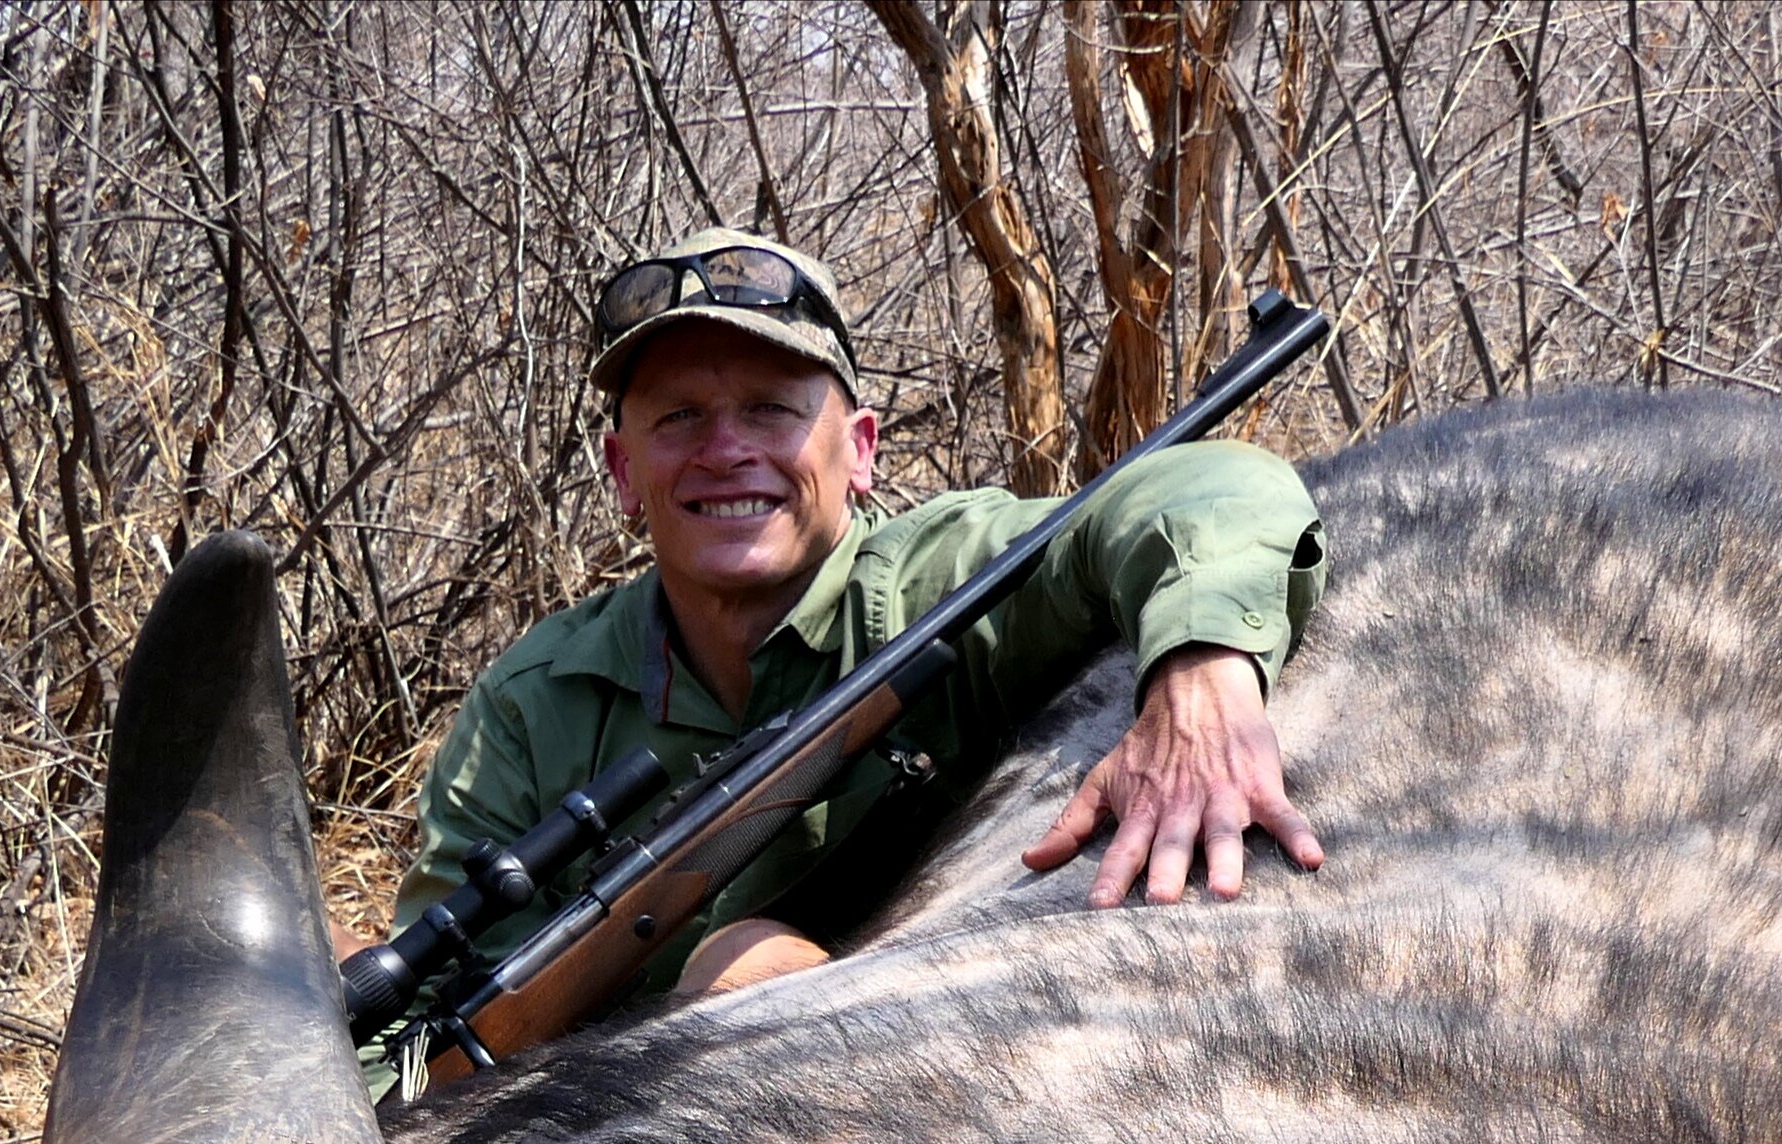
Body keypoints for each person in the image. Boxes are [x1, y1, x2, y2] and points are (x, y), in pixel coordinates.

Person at [359, 229, 1326, 1087]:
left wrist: (1200, 677)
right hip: (572, 1142)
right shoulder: (533, 700)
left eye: (772, 410)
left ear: (858, 451)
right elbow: (422, 1025)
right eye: (678, 418)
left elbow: (1215, 481)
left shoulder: (947, 581)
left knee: (745, 967)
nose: (725, 451)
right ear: (624, 472)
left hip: (982, 1085)